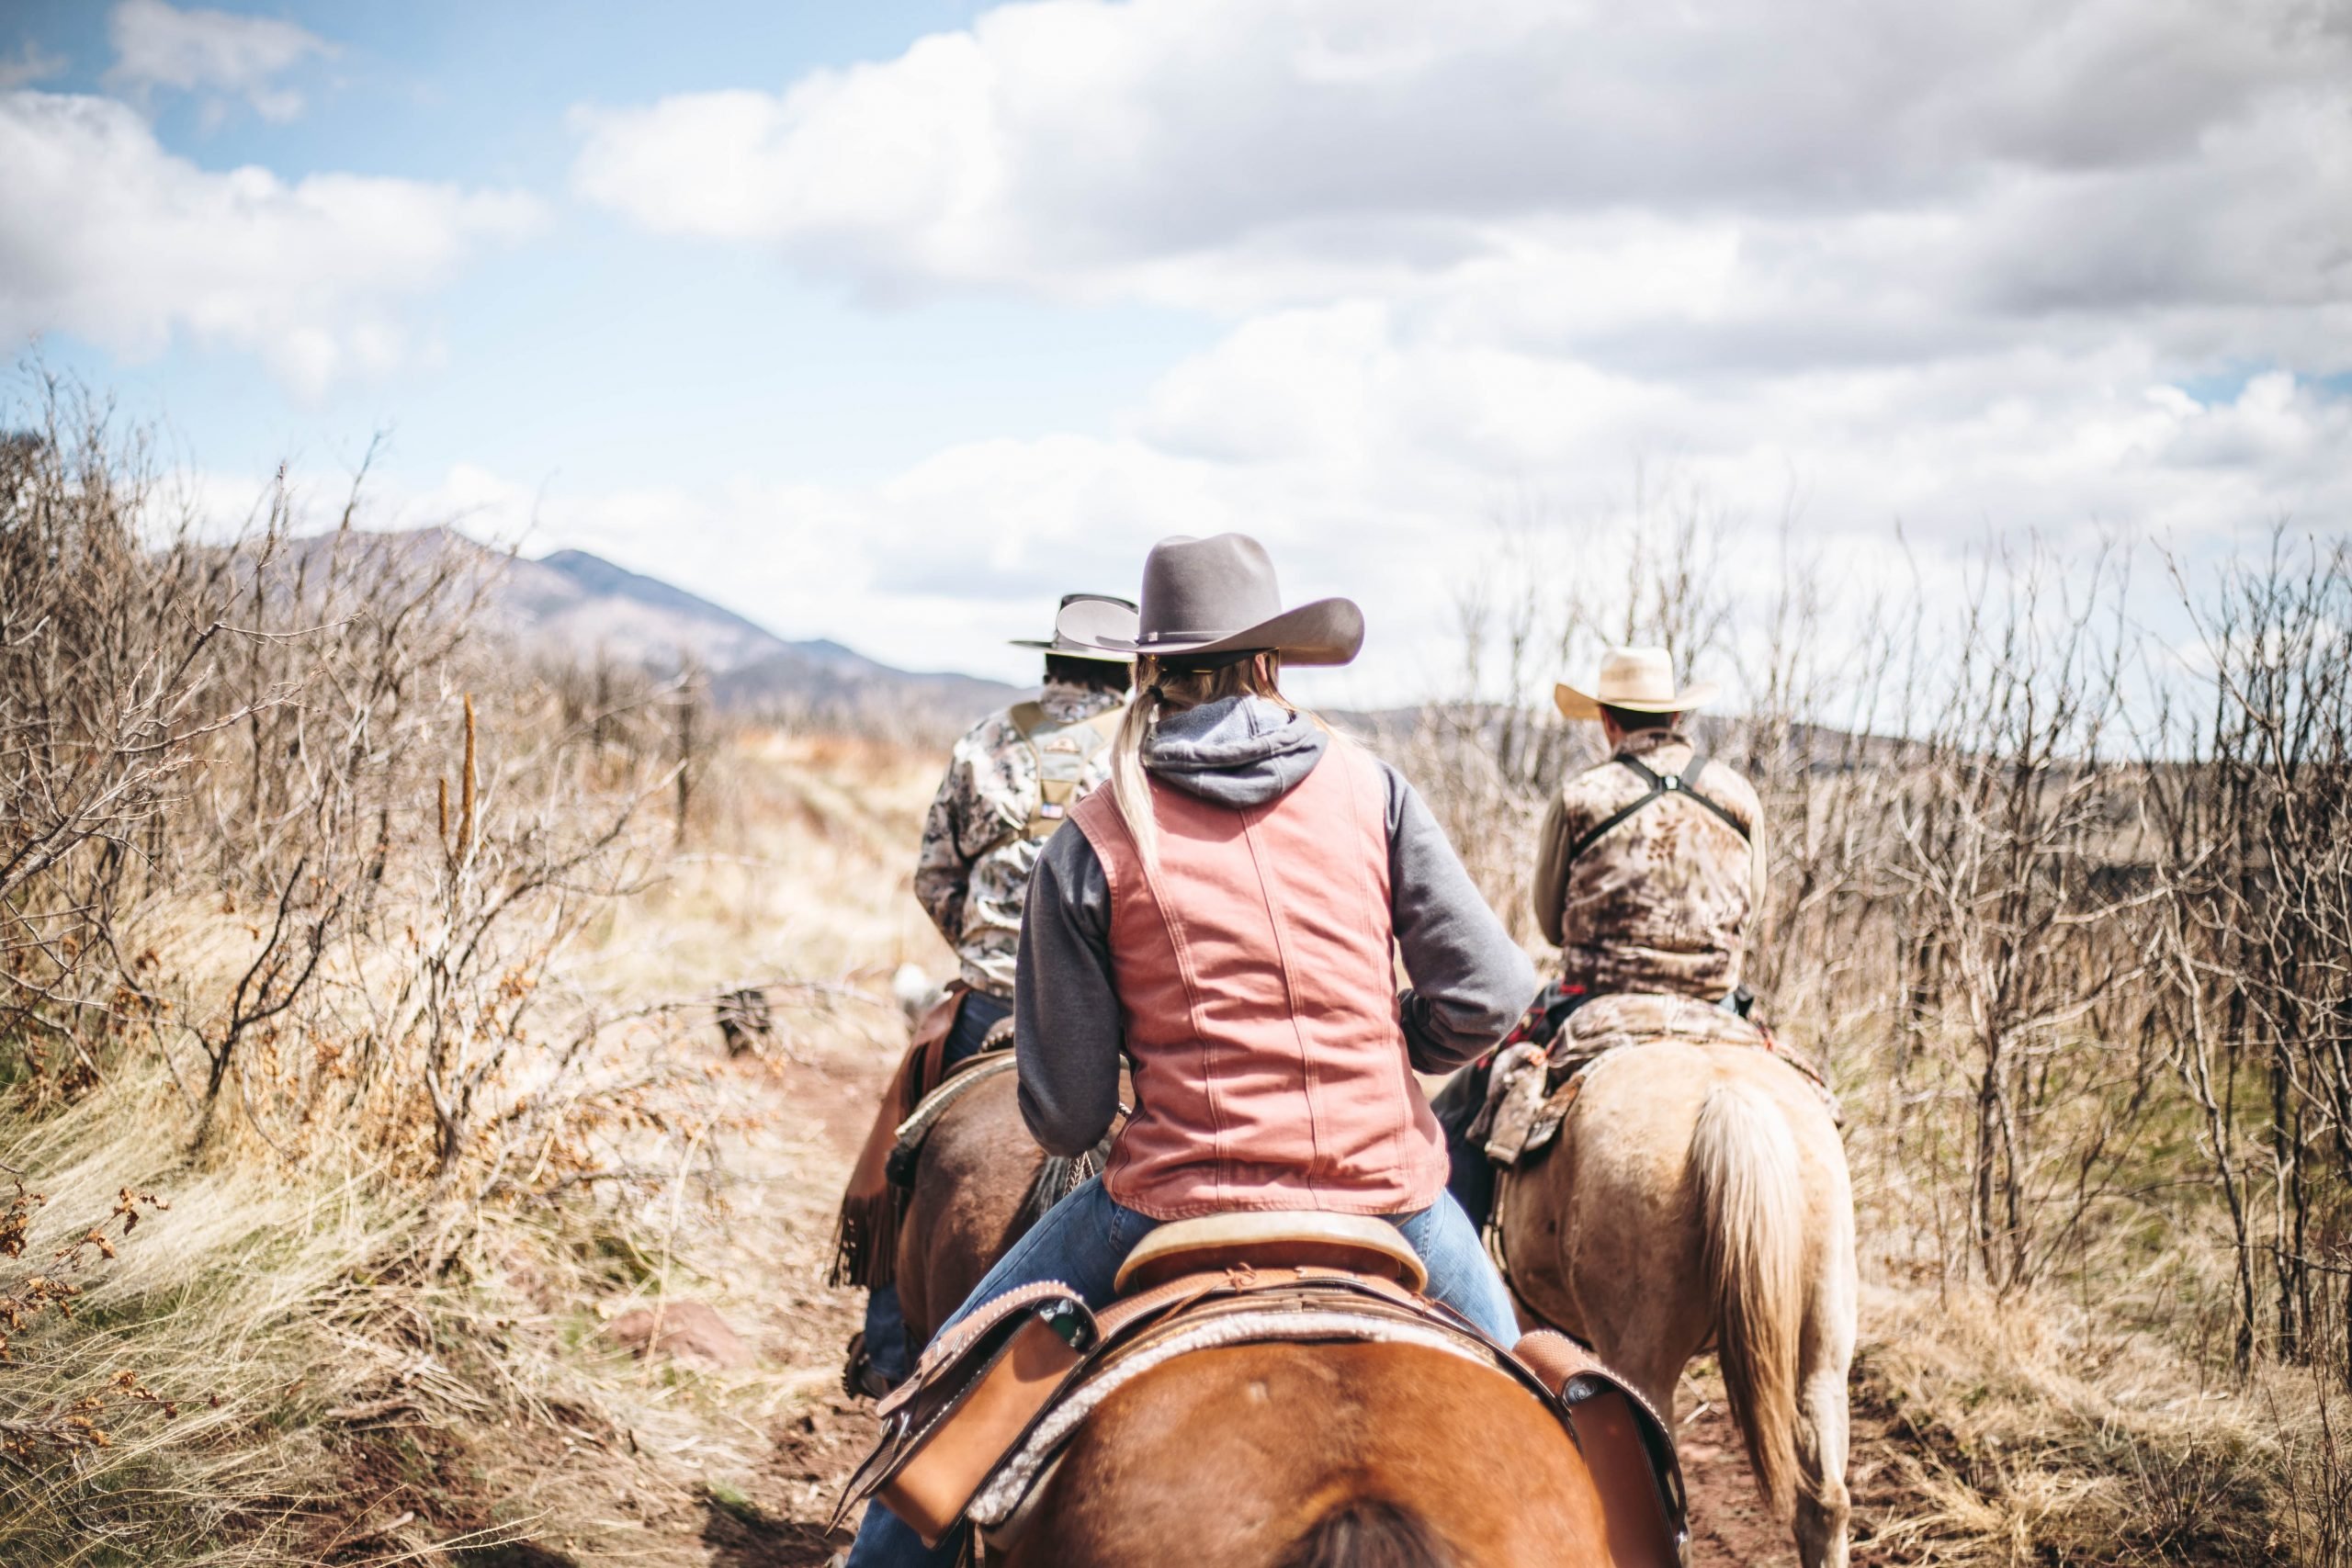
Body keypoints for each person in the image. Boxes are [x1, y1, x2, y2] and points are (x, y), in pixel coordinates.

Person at [842, 533, 1536, 1567]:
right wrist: (1398, 1041)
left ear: (1151, 673)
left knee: (942, 1406)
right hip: (1390, 1191)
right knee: (1550, 1410)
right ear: (1270, 665)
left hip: (1170, 1199)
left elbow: (1069, 1118)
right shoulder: (1373, 789)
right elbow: (1493, 994)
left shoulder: (1095, 833)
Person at [834, 592, 1136, 1398]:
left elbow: (936, 876)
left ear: (1051, 662)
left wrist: (984, 952)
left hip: (988, 1005)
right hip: (1108, 1019)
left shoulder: (991, 739)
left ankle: (891, 1340)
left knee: (907, 1154)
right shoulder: (1145, 750)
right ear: (1131, 670)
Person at [1431, 644, 1767, 1229]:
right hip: (1716, 1002)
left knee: (1464, 1111)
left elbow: (1550, 921)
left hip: (1597, 1001)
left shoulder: (1582, 798)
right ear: (1677, 718)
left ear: (1608, 720)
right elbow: (1753, 907)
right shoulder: (1738, 796)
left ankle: (1455, 1268)